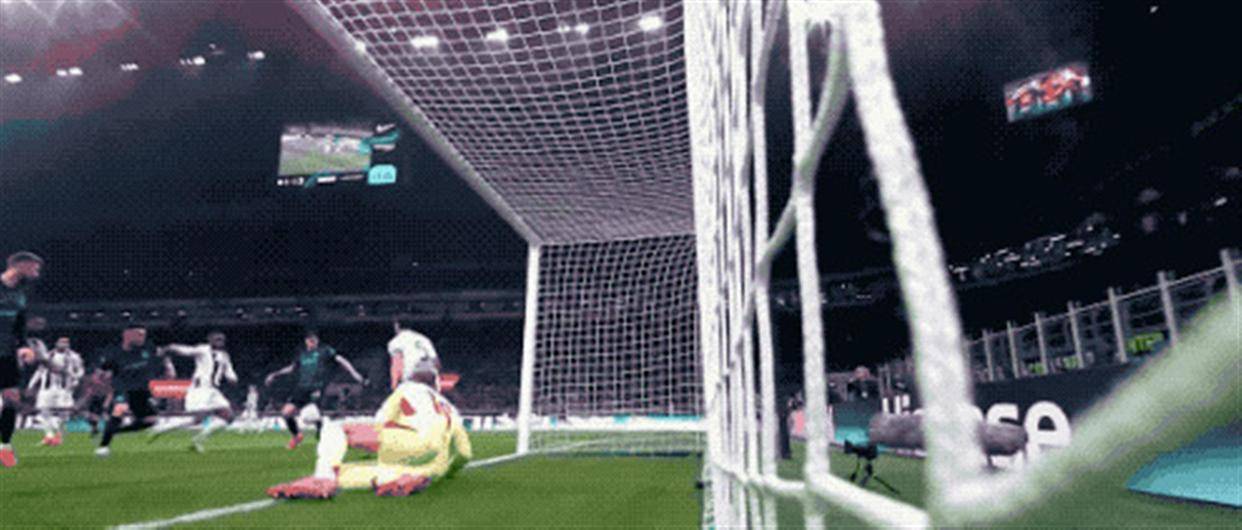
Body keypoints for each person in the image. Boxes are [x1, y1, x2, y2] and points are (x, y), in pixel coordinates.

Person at [267, 358, 471, 499]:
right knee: (357, 472)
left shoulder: (406, 389)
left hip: (408, 443)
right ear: (435, 383)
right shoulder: (450, 409)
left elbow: (380, 422)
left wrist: (372, 442)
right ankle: (402, 479)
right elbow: (464, 454)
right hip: (432, 463)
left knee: (337, 428)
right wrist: (446, 472)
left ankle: (322, 479)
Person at [264, 330, 365, 449]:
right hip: (301, 388)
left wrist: (354, 373)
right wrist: (275, 374)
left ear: (317, 340)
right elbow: (292, 368)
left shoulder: (324, 351)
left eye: (314, 339)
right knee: (286, 413)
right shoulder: (302, 354)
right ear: (306, 341)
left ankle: (322, 427)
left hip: (316, 388)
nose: (311, 341)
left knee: (309, 416)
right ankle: (297, 436)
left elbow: (341, 360)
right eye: (309, 339)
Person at [148, 331, 238, 452]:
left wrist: (233, 378)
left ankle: (197, 440)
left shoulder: (224, 356)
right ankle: (162, 429)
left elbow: (229, 372)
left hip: (213, 391)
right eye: (217, 339)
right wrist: (171, 347)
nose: (220, 341)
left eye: (222, 339)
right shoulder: (203, 350)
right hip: (200, 389)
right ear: (210, 340)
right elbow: (186, 351)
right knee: (197, 419)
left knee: (229, 417)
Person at [95, 324, 173, 458]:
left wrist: (169, 367)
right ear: (127, 334)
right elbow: (99, 374)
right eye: (139, 335)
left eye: (144, 335)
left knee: (151, 421)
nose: (142, 337)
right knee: (120, 409)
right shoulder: (114, 354)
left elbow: (163, 354)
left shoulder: (148, 349)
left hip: (141, 392)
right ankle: (103, 447)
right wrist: (105, 383)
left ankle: (116, 431)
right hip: (123, 389)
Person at [0, 251, 43, 468]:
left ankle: (4, 446)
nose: (37, 273)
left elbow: (19, 325)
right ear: (21, 264)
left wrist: (24, 346)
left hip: (6, 353)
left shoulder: (20, 294)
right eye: (34, 267)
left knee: (12, 398)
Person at [28, 336, 84, 446]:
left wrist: (75, 379)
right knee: (43, 410)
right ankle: (49, 436)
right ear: (56, 343)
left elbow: (80, 371)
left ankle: (59, 436)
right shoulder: (48, 355)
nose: (64, 344)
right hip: (47, 387)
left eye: (66, 342)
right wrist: (31, 384)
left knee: (64, 413)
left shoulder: (74, 357)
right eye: (61, 342)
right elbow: (39, 371)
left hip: (64, 388)